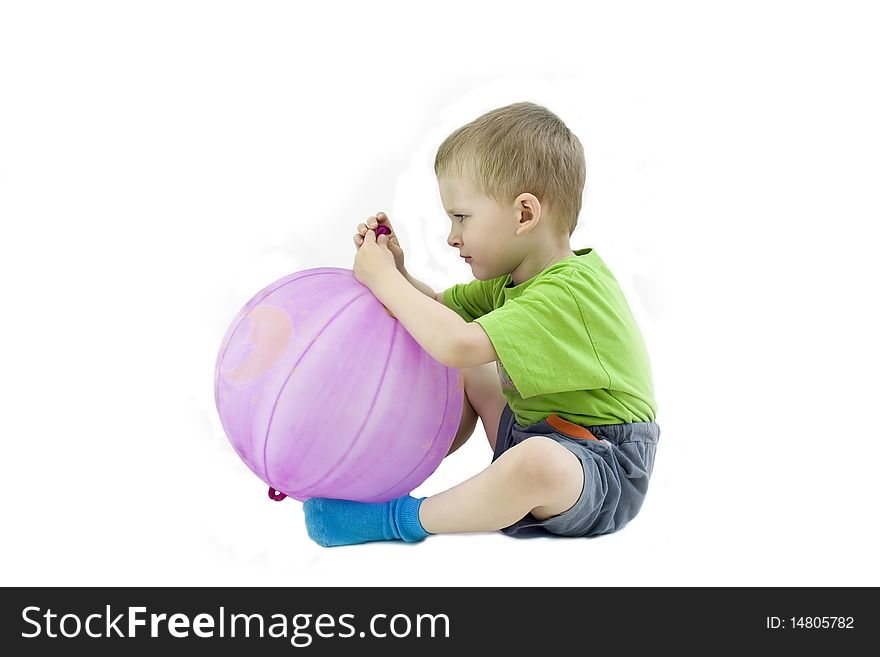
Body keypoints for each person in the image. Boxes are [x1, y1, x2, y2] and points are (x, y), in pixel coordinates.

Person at [303, 101, 659, 546]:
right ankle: (394, 468)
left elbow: (457, 344)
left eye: (462, 217)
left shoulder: (568, 291)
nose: (452, 236)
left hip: (601, 467)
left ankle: (398, 519)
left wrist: (381, 279)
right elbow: (437, 310)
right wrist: (398, 271)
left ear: (524, 214)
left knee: (534, 461)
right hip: (533, 431)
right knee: (461, 360)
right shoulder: (512, 281)